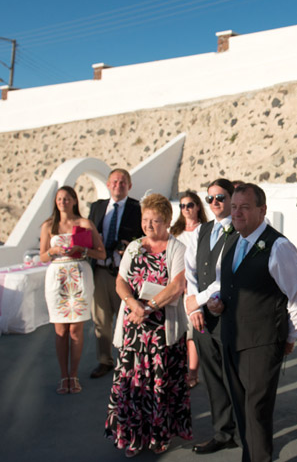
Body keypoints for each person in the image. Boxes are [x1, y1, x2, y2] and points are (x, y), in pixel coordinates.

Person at [207, 183, 297, 462]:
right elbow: (228, 284)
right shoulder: (233, 241)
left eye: (245, 207)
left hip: (262, 344)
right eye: (234, 206)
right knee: (242, 410)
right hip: (231, 338)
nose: (237, 212)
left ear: (262, 210)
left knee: (257, 411)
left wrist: (289, 338)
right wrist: (216, 302)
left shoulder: (279, 247)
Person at [104, 193, 191, 457]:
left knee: (159, 384)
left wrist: (148, 307)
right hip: (134, 328)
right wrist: (132, 303)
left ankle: (158, 437)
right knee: (131, 384)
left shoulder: (177, 248)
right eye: (145, 220)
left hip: (161, 331)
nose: (149, 226)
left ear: (167, 222)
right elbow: (120, 281)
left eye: (155, 221)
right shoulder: (133, 247)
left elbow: (177, 285)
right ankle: (131, 437)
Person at [184, 178, 239, 455]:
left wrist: (201, 299)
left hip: (232, 316)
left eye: (220, 197)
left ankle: (245, 432)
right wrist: (194, 306)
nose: (215, 202)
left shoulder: (241, 231)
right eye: (210, 199)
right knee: (213, 378)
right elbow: (191, 270)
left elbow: (228, 275)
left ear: (231, 198)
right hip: (203, 318)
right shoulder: (201, 231)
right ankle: (223, 432)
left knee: (236, 376)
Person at [39, 186, 106, 395]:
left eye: (67, 198)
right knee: (60, 331)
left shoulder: (84, 224)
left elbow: (101, 253)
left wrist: (82, 250)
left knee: (76, 331)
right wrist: (53, 250)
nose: (63, 202)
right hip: (57, 278)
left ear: (75, 201)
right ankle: (63, 375)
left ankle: (74, 375)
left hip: (79, 276)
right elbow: (42, 256)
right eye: (59, 199)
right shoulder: (48, 225)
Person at [88, 169, 143, 379]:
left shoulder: (137, 208)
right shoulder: (97, 208)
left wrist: (131, 246)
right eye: (114, 181)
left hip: (126, 274)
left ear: (129, 186)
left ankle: (128, 362)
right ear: (108, 185)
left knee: (128, 319)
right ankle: (104, 360)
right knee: (101, 319)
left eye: (123, 182)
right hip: (101, 271)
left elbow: (143, 236)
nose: (118, 185)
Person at [170, 190, 209, 389]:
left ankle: (193, 373)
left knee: (194, 332)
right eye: (182, 206)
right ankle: (180, 370)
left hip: (194, 288)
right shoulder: (175, 232)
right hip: (176, 288)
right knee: (180, 334)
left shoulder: (205, 230)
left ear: (198, 207)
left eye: (190, 205)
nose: (186, 209)